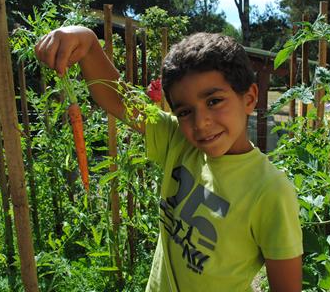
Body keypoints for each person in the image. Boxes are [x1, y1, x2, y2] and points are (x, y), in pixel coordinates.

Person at [35, 26, 303, 292]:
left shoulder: (270, 191)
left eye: (214, 101)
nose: (201, 123)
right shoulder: (180, 142)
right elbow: (119, 98)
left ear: (250, 98)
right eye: (185, 111)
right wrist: (88, 41)